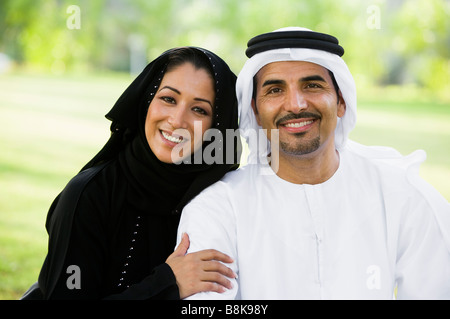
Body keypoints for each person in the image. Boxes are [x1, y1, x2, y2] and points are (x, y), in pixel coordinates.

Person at [176, 27, 450, 299]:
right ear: (256, 112)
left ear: (341, 101)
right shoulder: (219, 207)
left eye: (312, 85)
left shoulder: (401, 195)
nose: (295, 104)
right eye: (275, 90)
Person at [21, 47, 240, 300]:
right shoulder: (89, 195)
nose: (178, 120)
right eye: (168, 99)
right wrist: (167, 283)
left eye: (199, 110)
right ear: (146, 100)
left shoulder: (221, 200)